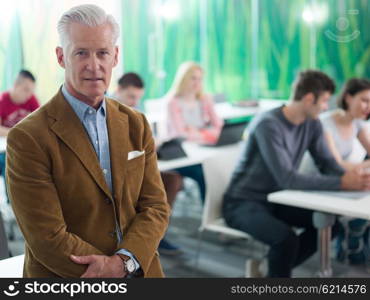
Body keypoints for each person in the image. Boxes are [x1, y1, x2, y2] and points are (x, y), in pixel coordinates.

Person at [6, 4, 170, 278]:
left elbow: (155, 206)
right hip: (68, 276)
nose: (94, 65)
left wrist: (123, 263)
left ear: (115, 56)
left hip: (137, 269)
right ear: (61, 57)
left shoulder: (136, 124)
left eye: (102, 52)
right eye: (81, 52)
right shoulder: (28, 137)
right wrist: (107, 271)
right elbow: (46, 236)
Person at [222, 70, 370, 278]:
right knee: (285, 240)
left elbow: (328, 164)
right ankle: (276, 270)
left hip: (277, 199)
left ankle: (269, 268)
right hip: (242, 203)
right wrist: (342, 183)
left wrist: (354, 181)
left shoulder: (312, 123)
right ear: (309, 99)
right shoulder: (268, 125)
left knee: (329, 225)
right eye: (325, 101)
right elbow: (287, 178)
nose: (327, 107)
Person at [115, 72, 184, 255]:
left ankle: (156, 233)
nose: (134, 101)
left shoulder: (135, 112)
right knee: (160, 184)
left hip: (138, 165)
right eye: (131, 96)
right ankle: (144, 237)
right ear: (118, 90)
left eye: (138, 98)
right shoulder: (105, 111)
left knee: (173, 180)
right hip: (119, 173)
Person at [320, 78, 370, 265]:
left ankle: (356, 252)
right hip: (322, 183)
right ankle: (350, 249)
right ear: (348, 97)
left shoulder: (357, 123)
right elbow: (337, 164)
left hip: (343, 179)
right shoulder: (325, 124)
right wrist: (365, 166)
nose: (368, 106)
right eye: (364, 100)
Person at [165, 61, 224, 202]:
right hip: (182, 156)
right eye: (193, 78)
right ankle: (208, 214)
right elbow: (180, 134)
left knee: (218, 168)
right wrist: (206, 132)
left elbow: (219, 127)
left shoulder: (205, 99)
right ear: (184, 79)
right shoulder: (172, 102)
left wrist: (196, 132)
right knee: (205, 173)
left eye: (200, 79)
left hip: (202, 151)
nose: (197, 82)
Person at [0, 70, 40, 203]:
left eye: (31, 91)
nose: (29, 95)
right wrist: (18, 134)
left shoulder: (31, 99)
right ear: (16, 85)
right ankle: (12, 202)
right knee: (8, 162)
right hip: (6, 148)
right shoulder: (2, 100)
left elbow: (41, 123)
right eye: (26, 90)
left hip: (25, 145)